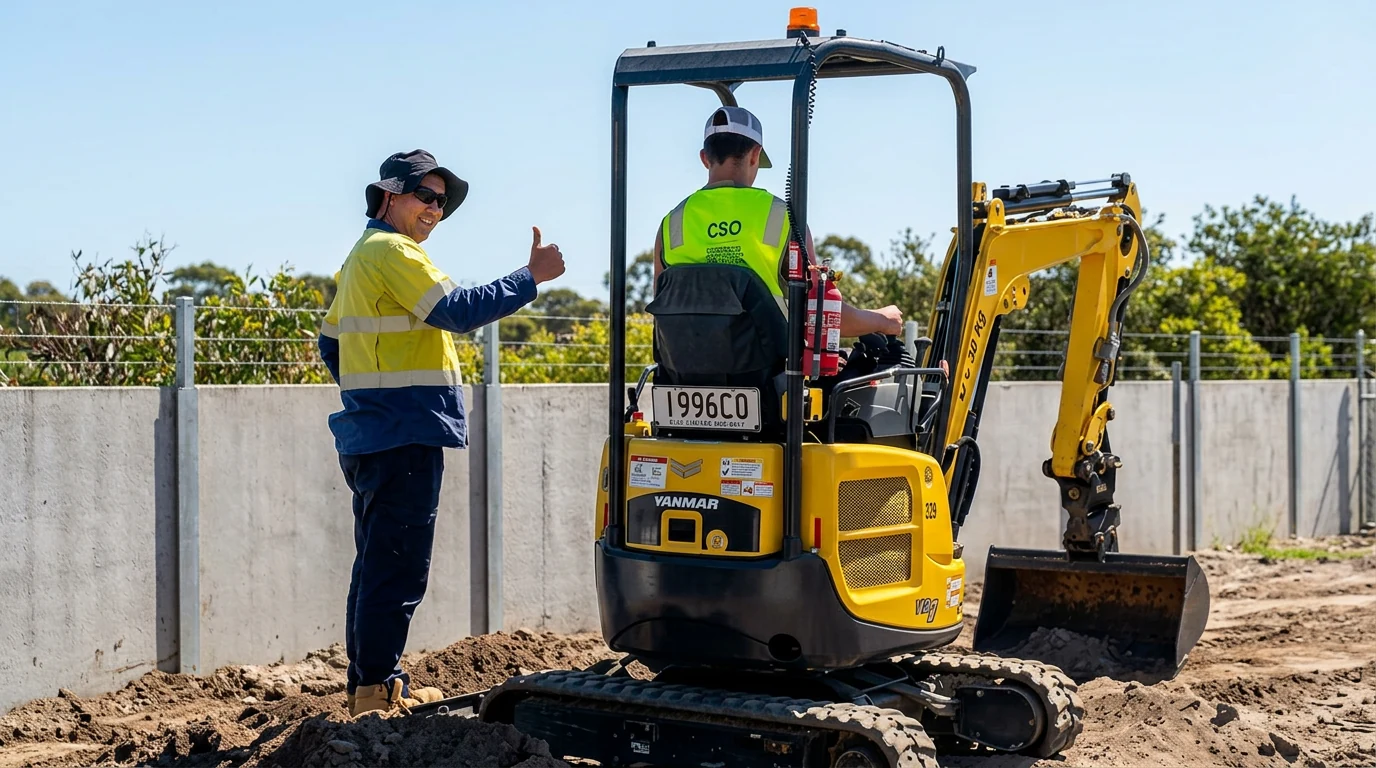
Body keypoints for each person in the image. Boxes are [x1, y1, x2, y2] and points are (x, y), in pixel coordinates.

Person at [317, 149, 566, 717]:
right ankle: (376, 692)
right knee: (397, 565)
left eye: (442, 201)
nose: (436, 208)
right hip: (403, 431)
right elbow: (454, 310)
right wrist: (531, 278)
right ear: (389, 194)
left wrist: (366, 396)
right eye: (425, 196)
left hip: (378, 429)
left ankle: (373, 684)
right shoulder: (392, 250)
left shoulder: (362, 256)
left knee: (377, 562)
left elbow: (330, 343)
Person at [651, 106, 904, 336]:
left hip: (680, 373)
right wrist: (882, 320)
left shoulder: (671, 224)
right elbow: (820, 315)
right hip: (768, 377)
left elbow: (661, 310)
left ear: (705, 157)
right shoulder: (782, 217)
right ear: (755, 155)